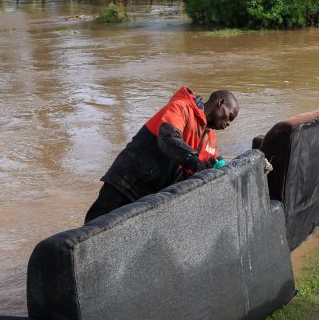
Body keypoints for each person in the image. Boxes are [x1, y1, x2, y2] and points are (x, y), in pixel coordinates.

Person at [84, 87, 238, 222]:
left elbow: (208, 168)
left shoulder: (209, 139)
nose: (228, 123)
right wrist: (196, 162)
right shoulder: (181, 107)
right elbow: (168, 138)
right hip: (126, 184)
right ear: (220, 103)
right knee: (94, 227)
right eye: (230, 116)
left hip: (151, 199)